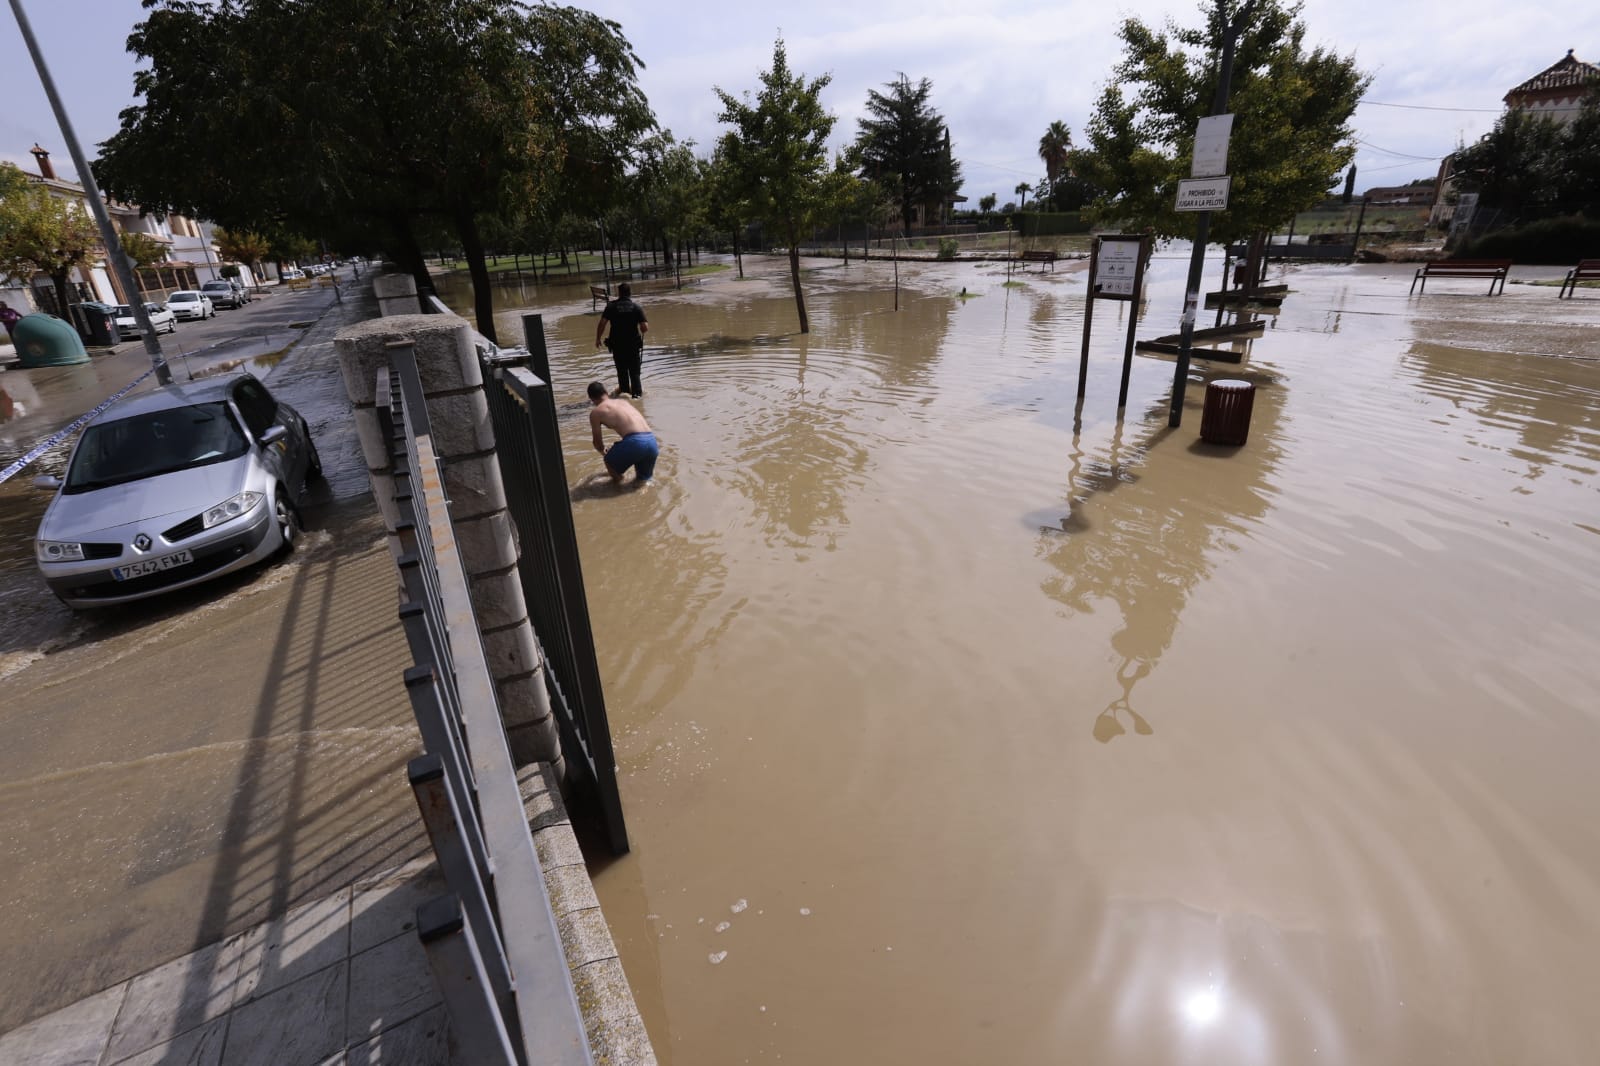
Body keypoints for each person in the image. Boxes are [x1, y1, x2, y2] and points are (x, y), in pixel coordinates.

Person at [588, 380, 658, 483]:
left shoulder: (596, 412)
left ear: (592, 399)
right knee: (643, 482)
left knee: (609, 462)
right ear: (606, 392)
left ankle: (619, 487)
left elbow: (597, 444)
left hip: (635, 442)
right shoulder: (623, 402)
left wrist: (605, 453)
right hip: (652, 441)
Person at [594, 283, 649, 397]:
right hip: (633, 346)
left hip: (617, 346)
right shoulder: (636, 307)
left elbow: (602, 323)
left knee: (622, 372)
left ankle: (625, 395)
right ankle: (637, 397)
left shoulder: (611, 307)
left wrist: (598, 338)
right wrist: (641, 327)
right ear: (630, 293)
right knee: (635, 374)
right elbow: (644, 328)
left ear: (619, 293)